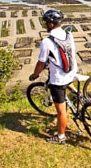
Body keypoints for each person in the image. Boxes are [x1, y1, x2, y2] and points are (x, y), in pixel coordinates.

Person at [29, 9, 78, 144]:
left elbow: (41, 62)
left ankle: (61, 137)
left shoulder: (47, 41)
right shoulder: (69, 34)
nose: (45, 25)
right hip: (71, 73)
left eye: (46, 22)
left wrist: (35, 75)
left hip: (58, 79)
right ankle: (77, 96)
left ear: (50, 24)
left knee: (61, 111)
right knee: (68, 85)